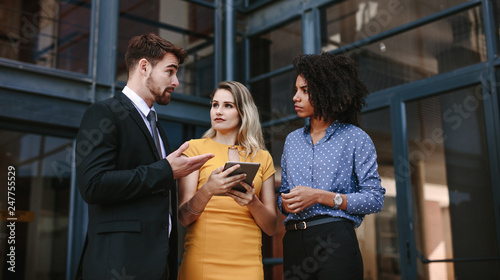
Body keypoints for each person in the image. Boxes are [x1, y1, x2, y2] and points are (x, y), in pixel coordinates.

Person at [75, 33, 214, 280]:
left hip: (158, 266)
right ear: (144, 67)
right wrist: (166, 171)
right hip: (118, 264)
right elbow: (92, 185)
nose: (177, 82)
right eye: (170, 72)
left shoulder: (156, 126)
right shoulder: (103, 113)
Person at [277, 53, 386, 280]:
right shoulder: (292, 140)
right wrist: (285, 203)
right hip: (294, 240)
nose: (296, 97)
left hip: (335, 238)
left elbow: (375, 199)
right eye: (296, 90)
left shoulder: (355, 138)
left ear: (327, 91)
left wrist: (320, 196)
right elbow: (283, 196)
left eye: (305, 91)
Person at [177, 81, 277, 280]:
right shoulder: (194, 149)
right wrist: (208, 190)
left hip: (248, 263)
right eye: (215, 105)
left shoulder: (263, 157)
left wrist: (253, 202)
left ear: (243, 112)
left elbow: (271, 227)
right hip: (202, 260)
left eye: (227, 105)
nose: (218, 111)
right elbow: (184, 217)